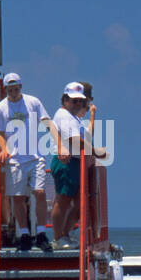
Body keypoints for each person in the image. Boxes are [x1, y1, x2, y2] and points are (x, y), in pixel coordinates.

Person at [0, 73, 59, 252]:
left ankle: (41, 233)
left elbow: (46, 120)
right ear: (5, 89)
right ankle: (24, 234)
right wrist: (4, 149)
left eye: (16, 89)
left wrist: (59, 143)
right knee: (18, 198)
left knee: (40, 192)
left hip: (35, 156)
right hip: (15, 159)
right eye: (10, 89)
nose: (13, 92)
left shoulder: (33, 102)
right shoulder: (0, 108)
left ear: (21, 87)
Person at [48, 82, 90, 247]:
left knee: (79, 201)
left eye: (80, 101)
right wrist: (94, 150)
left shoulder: (74, 118)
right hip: (66, 161)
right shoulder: (64, 116)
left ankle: (65, 233)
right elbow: (74, 140)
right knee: (63, 200)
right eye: (74, 101)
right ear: (65, 100)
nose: (78, 104)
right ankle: (58, 237)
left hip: (74, 162)